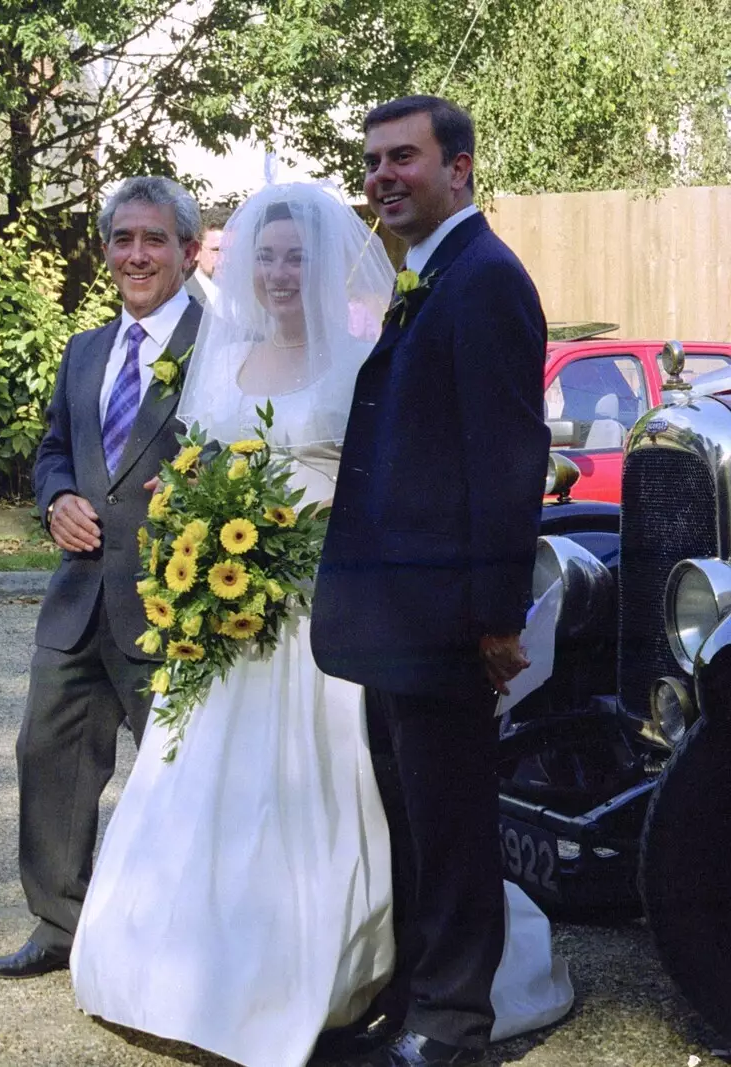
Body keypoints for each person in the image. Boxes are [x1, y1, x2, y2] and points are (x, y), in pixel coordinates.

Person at [68, 180, 571, 1067]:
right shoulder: (221, 360)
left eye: (298, 255)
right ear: (246, 265)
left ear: (327, 263)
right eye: (267, 255)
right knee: (200, 780)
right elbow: (190, 465)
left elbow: (390, 473)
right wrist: (190, 520)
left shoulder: (363, 356)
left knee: (327, 786)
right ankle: (178, 971)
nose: (280, 270)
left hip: (322, 608)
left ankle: (335, 971)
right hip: (227, 609)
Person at [313, 97, 558, 1067]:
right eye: (372, 160)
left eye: (402, 157)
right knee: (410, 821)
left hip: (448, 624)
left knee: (452, 831)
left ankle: (451, 1031)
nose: (381, 175)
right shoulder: (431, 275)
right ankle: (411, 1004)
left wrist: (496, 620)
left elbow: (506, 456)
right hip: (395, 620)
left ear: (458, 167)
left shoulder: (487, 279)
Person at [0, 177, 203, 980]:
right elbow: (50, 451)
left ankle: (178, 942)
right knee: (48, 755)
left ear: (187, 248)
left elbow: (246, 452)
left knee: (180, 776)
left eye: (153, 239)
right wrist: (56, 500)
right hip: (77, 600)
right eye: (122, 239)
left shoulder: (221, 345)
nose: (136, 254)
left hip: (175, 603)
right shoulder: (85, 350)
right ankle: (59, 923)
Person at [182, 203, 230, 308]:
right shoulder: (181, 299)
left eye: (231, 250)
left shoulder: (249, 298)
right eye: (217, 250)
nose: (226, 259)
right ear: (196, 252)